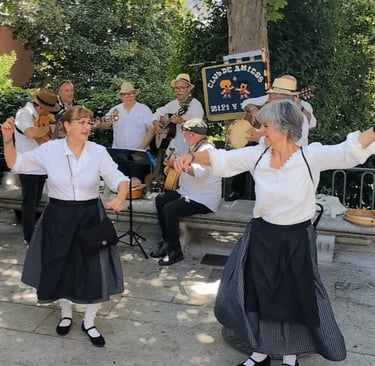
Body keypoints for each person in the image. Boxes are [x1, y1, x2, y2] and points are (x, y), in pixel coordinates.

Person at [174, 100, 375, 365]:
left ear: (284, 128)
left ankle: (289, 357)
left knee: (291, 297)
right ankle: (260, 352)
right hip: (262, 235)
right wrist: (191, 156)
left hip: (296, 240)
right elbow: (220, 158)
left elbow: (350, 150)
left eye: (266, 125)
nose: (261, 130)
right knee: (257, 293)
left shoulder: (309, 156)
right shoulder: (258, 155)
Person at [1, 105, 130, 347]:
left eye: (88, 122)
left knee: (95, 270)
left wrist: (121, 196)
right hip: (58, 216)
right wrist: (8, 140)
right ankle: (66, 314)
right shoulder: (50, 150)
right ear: (66, 126)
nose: (87, 126)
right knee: (60, 266)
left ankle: (89, 322)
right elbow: (17, 163)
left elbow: (118, 178)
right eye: (81, 122)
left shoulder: (98, 151)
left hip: (90, 216)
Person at [150, 118, 222, 266]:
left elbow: (198, 173)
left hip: (203, 199)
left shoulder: (207, 151)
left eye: (184, 133)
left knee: (170, 209)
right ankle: (166, 241)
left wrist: (175, 165)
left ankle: (175, 252)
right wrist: (169, 168)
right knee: (161, 199)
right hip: (187, 192)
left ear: (191, 134)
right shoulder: (195, 147)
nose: (183, 136)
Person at [14, 88, 61, 244]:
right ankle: (29, 237)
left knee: (36, 202)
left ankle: (36, 233)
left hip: (41, 166)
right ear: (41, 106)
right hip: (27, 166)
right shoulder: (24, 114)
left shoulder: (44, 116)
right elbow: (30, 133)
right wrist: (49, 128)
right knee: (29, 203)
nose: (48, 113)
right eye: (47, 110)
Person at [98, 81, 154, 184]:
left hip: (138, 153)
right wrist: (111, 119)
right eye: (126, 94)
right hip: (119, 152)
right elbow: (104, 125)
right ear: (121, 96)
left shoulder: (144, 109)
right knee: (118, 181)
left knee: (135, 182)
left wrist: (140, 149)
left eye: (131, 93)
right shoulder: (115, 110)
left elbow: (151, 130)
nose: (129, 96)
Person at [153, 73, 204, 156]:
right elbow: (157, 113)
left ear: (189, 89)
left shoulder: (195, 105)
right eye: (176, 88)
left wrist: (182, 122)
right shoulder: (171, 105)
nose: (178, 90)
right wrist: (155, 121)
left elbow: (198, 128)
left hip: (188, 153)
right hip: (171, 152)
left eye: (181, 88)